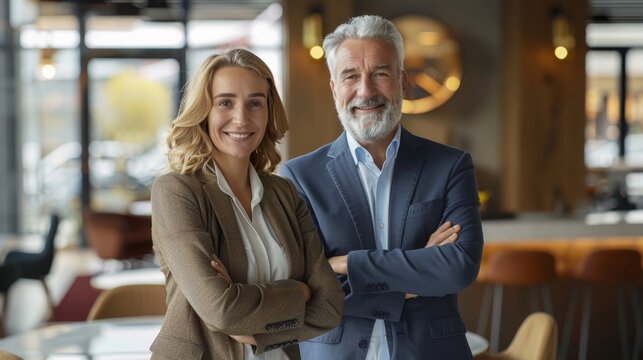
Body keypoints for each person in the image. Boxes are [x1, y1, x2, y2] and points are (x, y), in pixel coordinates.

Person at [279, 15, 484, 359]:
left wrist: (347, 265)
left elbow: (459, 266)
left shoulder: (450, 166)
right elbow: (309, 287)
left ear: (403, 82)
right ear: (334, 89)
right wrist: (414, 275)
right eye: (351, 76)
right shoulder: (300, 176)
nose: (366, 90)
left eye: (380, 73)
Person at [150, 48, 344, 360]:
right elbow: (221, 310)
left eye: (255, 103)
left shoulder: (284, 193)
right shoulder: (176, 191)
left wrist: (255, 330)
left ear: (269, 113)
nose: (241, 118)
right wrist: (300, 292)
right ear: (204, 111)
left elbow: (330, 306)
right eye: (225, 102)